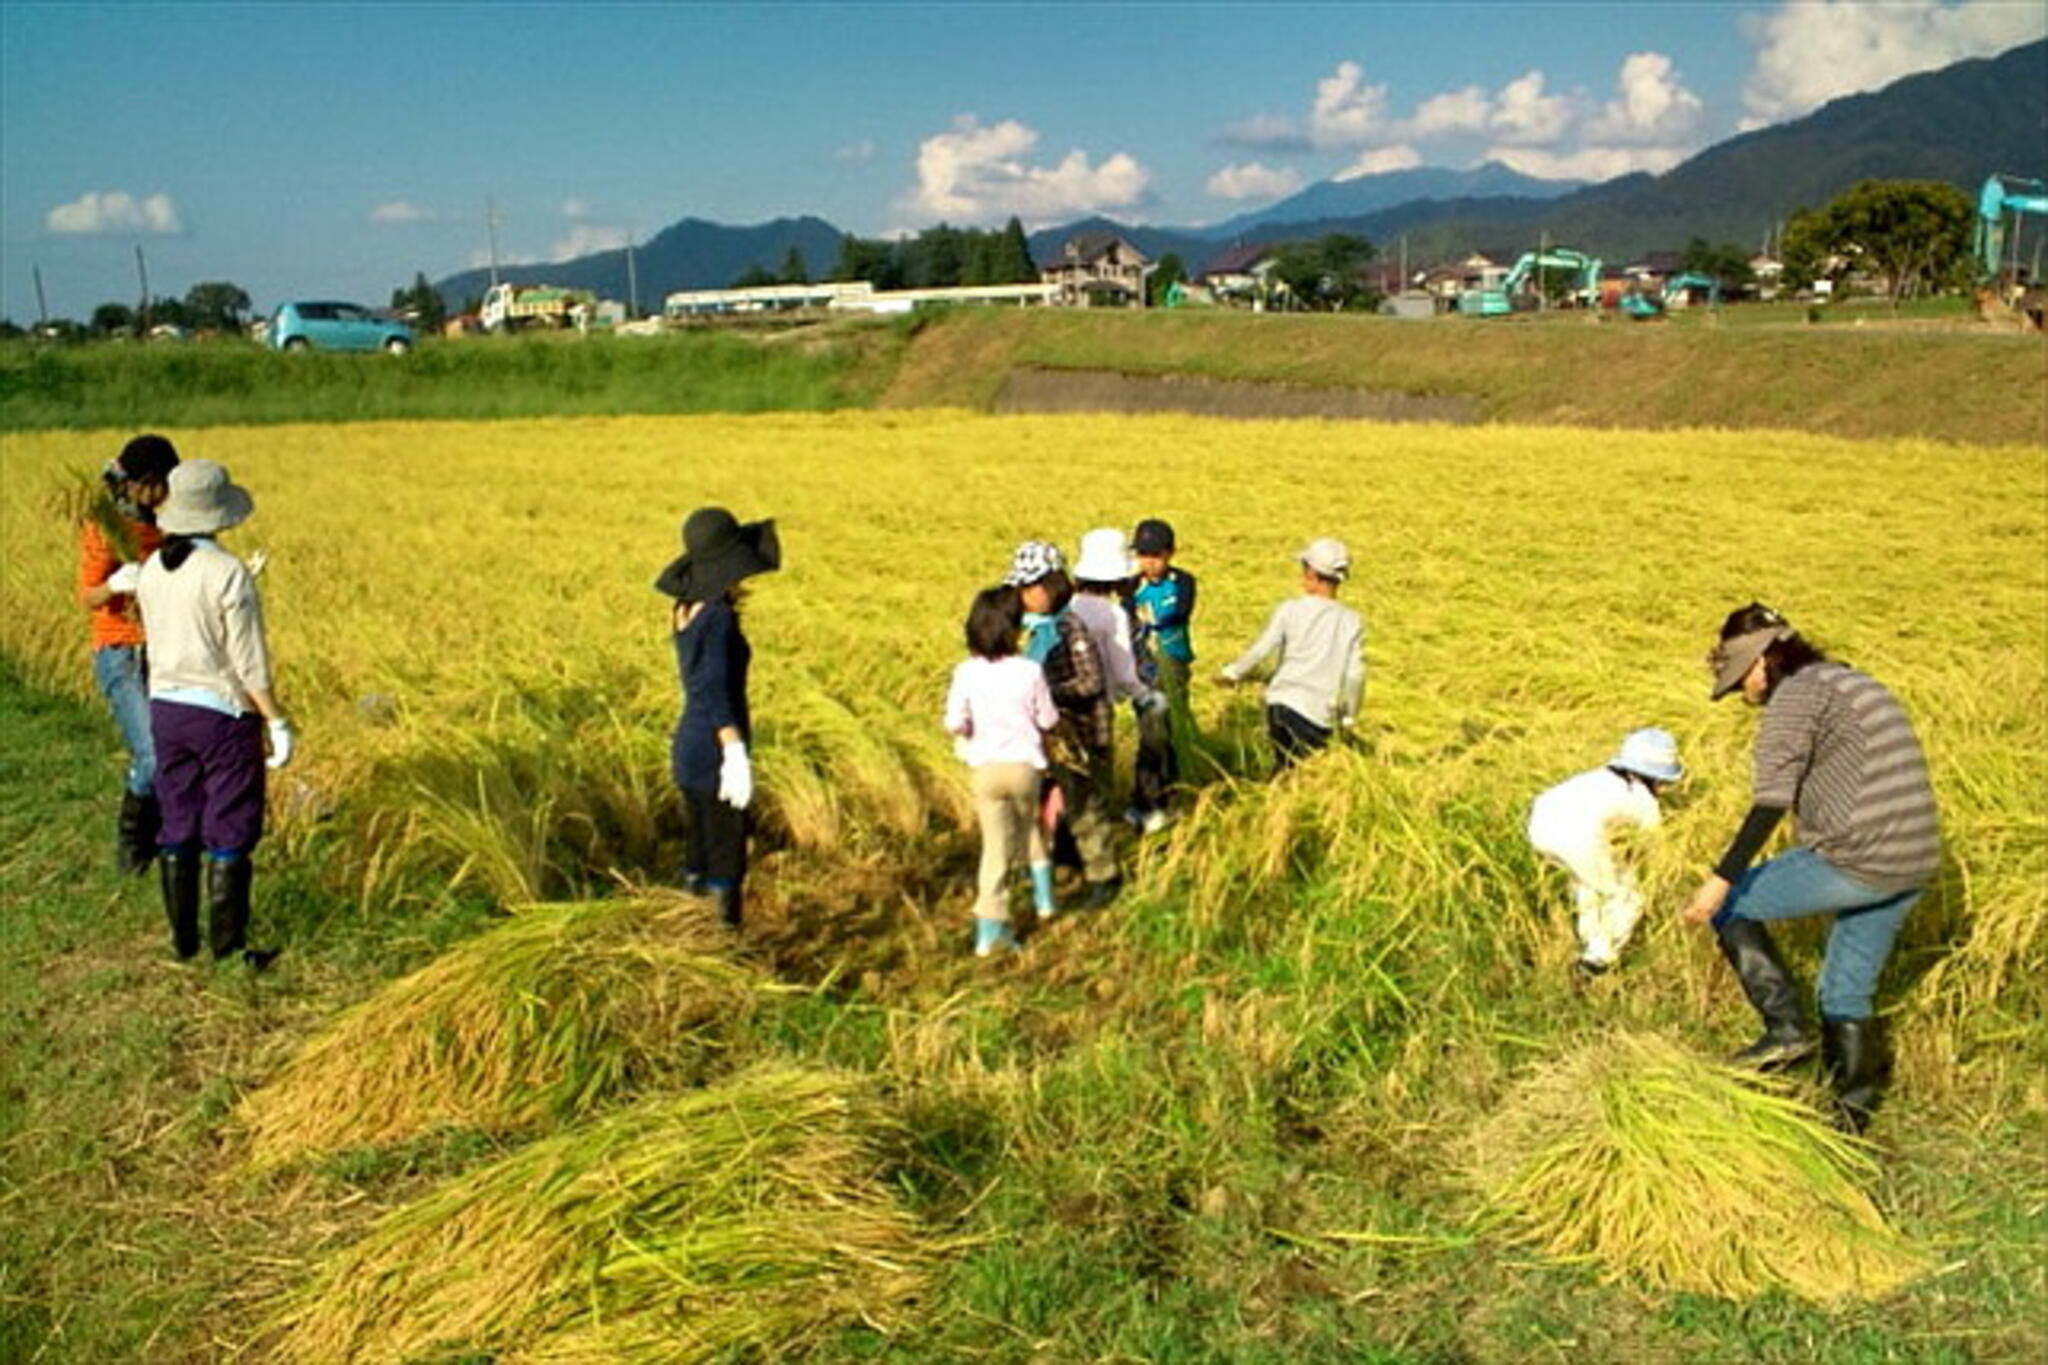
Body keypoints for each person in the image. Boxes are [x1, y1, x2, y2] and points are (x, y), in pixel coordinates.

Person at [1679, 603, 1940, 1132]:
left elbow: (1770, 801)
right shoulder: (1849, 681)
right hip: (1915, 857)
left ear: (1761, 662)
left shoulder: (1793, 699)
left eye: (1739, 682)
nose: (1743, 695)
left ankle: (1785, 1033)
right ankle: (1850, 1119)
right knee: (1846, 989)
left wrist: (1719, 879)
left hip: (1860, 857)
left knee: (1732, 905)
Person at [134, 460, 293, 966]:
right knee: (231, 822)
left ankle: (183, 943)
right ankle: (229, 949)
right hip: (221, 715)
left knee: (177, 816)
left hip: (165, 709)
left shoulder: (153, 569)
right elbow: (249, 663)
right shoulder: (227, 573)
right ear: (220, 515)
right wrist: (277, 721)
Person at [656, 506, 779, 930]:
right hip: (712, 750)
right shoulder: (719, 618)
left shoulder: (685, 609)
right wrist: (733, 751)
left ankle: (689, 937)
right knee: (727, 855)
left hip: (689, 745)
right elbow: (711, 688)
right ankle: (723, 948)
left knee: (700, 848)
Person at [78, 434, 180, 875]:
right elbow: (87, 595)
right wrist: (117, 586)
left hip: (166, 644)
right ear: (143, 483)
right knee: (153, 753)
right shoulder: (106, 526)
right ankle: (133, 839)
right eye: (159, 486)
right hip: (119, 646)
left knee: (174, 746)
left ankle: (163, 834)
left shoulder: (171, 524)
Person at [1005, 540, 1121, 909]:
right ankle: (1060, 860)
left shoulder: (1070, 628)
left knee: (1086, 808)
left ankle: (1104, 876)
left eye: (1030, 588)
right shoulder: (1037, 629)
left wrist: (1045, 691)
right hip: (1052, 736)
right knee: (1052, 801)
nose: (1024, 596)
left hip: (1083, 736)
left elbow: (1091, 682)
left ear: (1052, 586)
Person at [944, 586, 1059, 955]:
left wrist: (972, 728)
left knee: (995, 849)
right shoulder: (1029, 671)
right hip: (1025, 768)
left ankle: (988, 930)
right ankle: (1044, 901)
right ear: (1015, 628)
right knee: (1027, 829)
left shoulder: (965, 672)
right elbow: (1048, 718)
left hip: (985, 770)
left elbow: (953, 722)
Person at [1528, 728, 1685, 974]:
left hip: (1540, 827)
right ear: (1657, 777)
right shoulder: (1644, 800)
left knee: (1588, 885)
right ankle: (1597, 962)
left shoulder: (1597, 777)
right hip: (1579, 838)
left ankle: (1591, 945)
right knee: (1627, 897)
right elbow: (1653, 848)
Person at [1216, 537, 1365, 772]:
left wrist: (1232, 673)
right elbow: (1355, 675)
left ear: (1312, 575)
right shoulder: (1351, 621)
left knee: (1285, 770)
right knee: (1302, 773)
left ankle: (1274, 804)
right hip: (1320, 714)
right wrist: (1349, 716)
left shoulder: (1290, 610)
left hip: (1282, 704)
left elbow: (1262, 649)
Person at [1127, 517, 1197, 832]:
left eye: (1155, 556)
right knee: (1150, 735)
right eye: (1143, 556)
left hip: (1175, 665)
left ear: (1170, 554)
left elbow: (1182, 610)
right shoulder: (1131, 587)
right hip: (1145, 669)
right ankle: (1145, 800)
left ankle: (1172, 795)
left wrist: (1157, 622)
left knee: (1171, 730)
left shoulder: (1183, 582)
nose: (1149, 563)